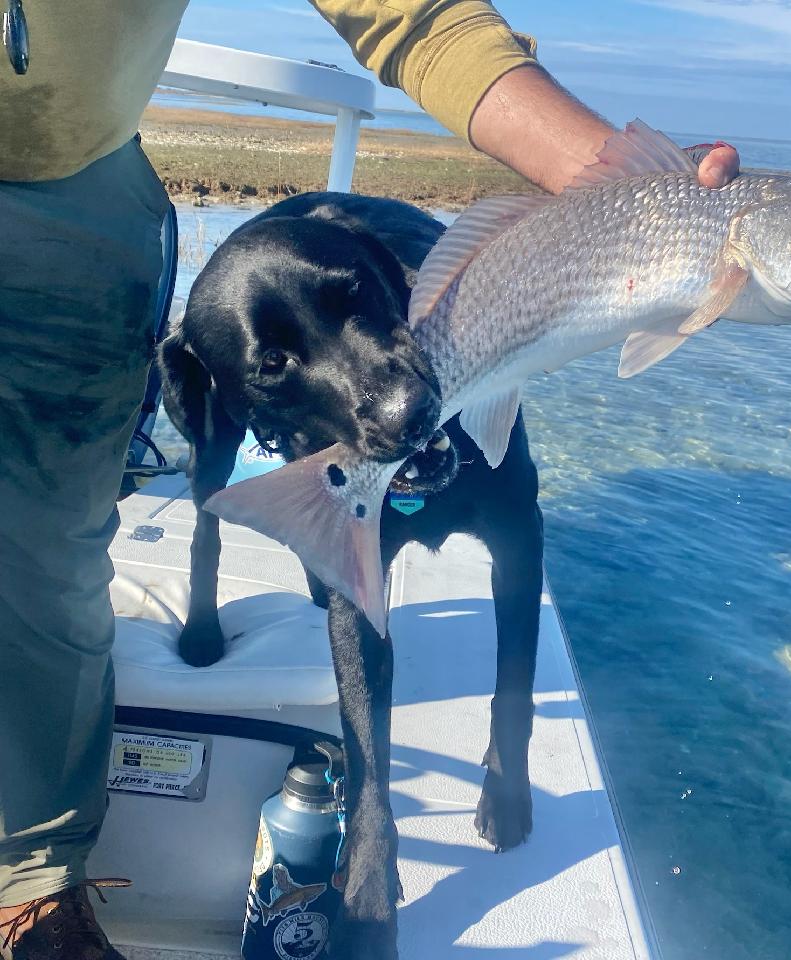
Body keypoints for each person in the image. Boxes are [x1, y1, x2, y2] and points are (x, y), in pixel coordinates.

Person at [0, 3, 740, 958]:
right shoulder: (228, 389)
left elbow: (414, 12)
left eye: (364, 308)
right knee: (298, 552)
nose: (394, 411)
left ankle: (29, 880)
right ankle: (204, 578)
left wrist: (637, 192)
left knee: (52, 550)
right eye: (269, 371)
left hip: (74, 186)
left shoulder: (436, 325)